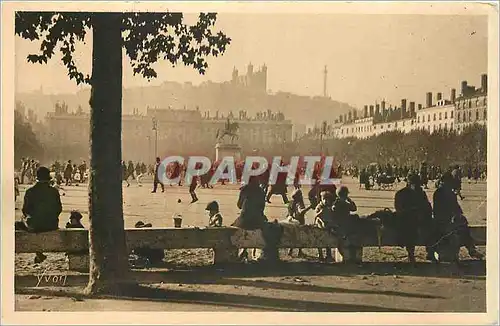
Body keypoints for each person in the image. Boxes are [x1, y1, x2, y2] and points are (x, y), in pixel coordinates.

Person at [15, 167, 62, 264]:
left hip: (35, 225)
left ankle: (38, 252)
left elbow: (25, 210)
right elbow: (59, 209)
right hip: (52, 224)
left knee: (19, 223)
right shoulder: (54, 191)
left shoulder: (30, 191)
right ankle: (39, 252)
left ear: (37, 178)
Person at [433, 172, 483, 261]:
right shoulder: (442, 193)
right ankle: (470, 248)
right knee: (461, 227)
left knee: (462, 225)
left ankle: (470, 248)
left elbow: (455, 208)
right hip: (444, 221)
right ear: (446, 182)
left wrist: (457, 215)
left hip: (446, 221)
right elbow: (445, 209)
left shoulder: (444, 193)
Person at [394, 174, 436, 263]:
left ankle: (430, 252)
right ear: (409, 183)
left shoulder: (420, 193)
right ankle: (411, 254)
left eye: (417, 184)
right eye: (414, 184)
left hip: (420, 219)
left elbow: (427, 207)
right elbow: (399, 209)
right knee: (410, 228)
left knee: (433, 226)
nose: (416, 186)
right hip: (407, 220)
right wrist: (413, 210)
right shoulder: (402, 194)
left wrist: (424, 213)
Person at [284, 189, 311, 258]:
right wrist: (310, 207)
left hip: (292, 221)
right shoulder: (300, 203)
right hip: (299, 221)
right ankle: (299, 251)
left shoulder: (290, 203)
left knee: (293, 236)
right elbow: (301, 212)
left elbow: (289, 213)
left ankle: (291, 251)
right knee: (299, 236)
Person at [314, 190, 335, 262]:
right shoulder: (319, 206)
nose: (326, 201)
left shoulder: (330, 207)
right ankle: (320, 255)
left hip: (327, 226)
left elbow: (332, 216)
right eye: (324, 199)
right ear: (321, 199)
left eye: (327, 199)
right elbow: (315, 216)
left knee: (328, 241)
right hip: (320, 225)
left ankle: (328, 255)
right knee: (319, 241)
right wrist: (320, 212)